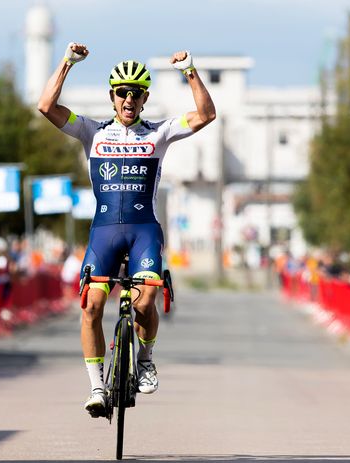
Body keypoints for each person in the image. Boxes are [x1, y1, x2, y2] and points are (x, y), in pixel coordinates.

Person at [37, 42, 216, 417]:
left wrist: (189, 71)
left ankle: (146, 358)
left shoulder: (158, 133)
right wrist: (67, 63)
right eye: (122, 92)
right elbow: (46, 108)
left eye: (136, 92)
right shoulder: (92, 132)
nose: (129, 99)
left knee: (146, 301)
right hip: (104, 232)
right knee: (91, 307)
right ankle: (97, 386)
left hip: (143, 232)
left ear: (145, 97)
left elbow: (205, 114)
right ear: (112, 96)